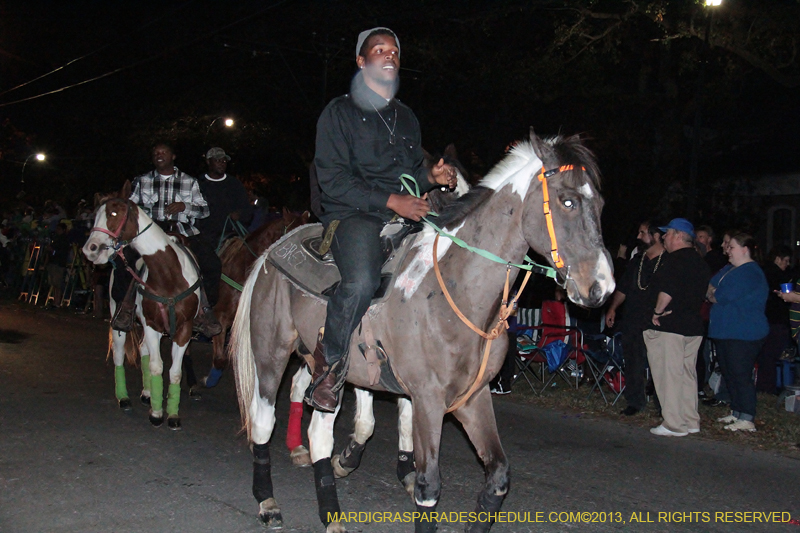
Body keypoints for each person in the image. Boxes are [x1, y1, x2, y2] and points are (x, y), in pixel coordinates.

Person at [305, 27, 458, 412]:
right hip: (353, 214)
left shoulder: (406, 117)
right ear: (361, 61)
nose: (389, 55)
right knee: (361, 281)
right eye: (378, 49)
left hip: (403, 210)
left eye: (394, 51)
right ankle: (330, 364)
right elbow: (333, 181)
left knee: (455, 256)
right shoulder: (338, 113)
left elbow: (408, 175)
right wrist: (392, 200)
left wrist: (431, 178)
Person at [111, 142, 221, 337]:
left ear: (173, 156)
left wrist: (185, 207)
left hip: (182, 232)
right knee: (124, 260)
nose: (159, 155)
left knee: (212, 263)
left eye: (163, 152)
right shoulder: (142, 181)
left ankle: (206, 311)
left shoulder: (190, 181)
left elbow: (205, 210)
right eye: (155, 153)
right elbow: (130, 208)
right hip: (150, 234)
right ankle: (124, 308)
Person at [643, 218, 710, 437]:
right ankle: (690, 420)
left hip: (670, 326)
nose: (664, 237)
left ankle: (673, 424)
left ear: (679, 236)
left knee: (668, 374)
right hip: (692, 326)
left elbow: (668, 289)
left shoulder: (674, 260)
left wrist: (657, 312)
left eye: (668, 233)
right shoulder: (699, 261)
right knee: (686, 374)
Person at [707, 233, 768, 432]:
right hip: (726, 332)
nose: (727, 250)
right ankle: (737, 411)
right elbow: (709, 286)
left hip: (743, 333)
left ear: (745, 249)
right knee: (729, 373)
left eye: (731, 247)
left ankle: (747, 417)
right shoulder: (729, 269)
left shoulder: (750, 272)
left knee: (740, 374)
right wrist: (713, 293)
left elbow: (722, 295)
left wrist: (714, 293)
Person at [606, 220, 666, 416]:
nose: (638, 237)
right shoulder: (637, 261)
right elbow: (623, 288)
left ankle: (662, 404)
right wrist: (613, 308)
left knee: (659, 363)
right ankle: (635, 401)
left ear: (656, 236)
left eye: (642, 233)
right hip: (632, 318)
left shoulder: (668, 262)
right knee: (632, 361)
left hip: (656, 321)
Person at [195, 147, 253, 250]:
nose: (222, 163)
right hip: (204, 237)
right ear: (208, 162)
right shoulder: (198, 183)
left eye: (224, 161)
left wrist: (239, 214)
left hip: (229, 237)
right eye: (217, 160)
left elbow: (248, 211)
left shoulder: (234, 184)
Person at [757, 245, 793, 395]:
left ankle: (764, 387)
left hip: (766, 320)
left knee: (766, 356)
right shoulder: (779, 276)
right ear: (777, 259)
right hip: (776, 322)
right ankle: (767, 389)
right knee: (770, 357)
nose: (787, 264)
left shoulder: (762, 273)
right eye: (786, 260)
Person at [46, 222, 70, 307]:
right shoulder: (56, 238)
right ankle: (55, 300)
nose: (57, 230)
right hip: (53, 262)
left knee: (58, 283)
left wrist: (53, 251)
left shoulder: (64, 240)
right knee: (53, 282)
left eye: (59, 229)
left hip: (59, 263)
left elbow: (62, 252)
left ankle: (57, 302)